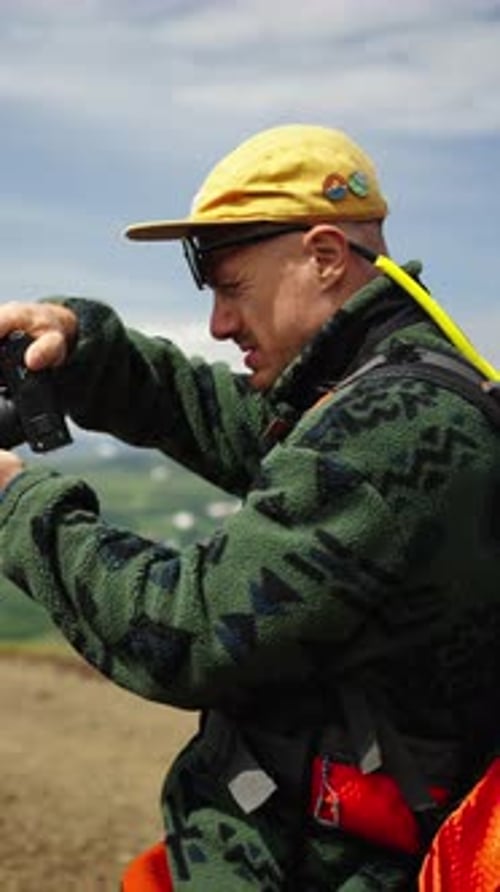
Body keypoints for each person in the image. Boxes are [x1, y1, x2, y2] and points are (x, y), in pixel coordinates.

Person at [0, 123, 498, 892]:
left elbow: (190, 632)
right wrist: (80, 346)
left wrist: (17, 503)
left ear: (325, 256)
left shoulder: (395, 429)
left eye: (232, 289)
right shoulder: (376, 385)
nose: (218, 324)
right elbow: (214, 415)